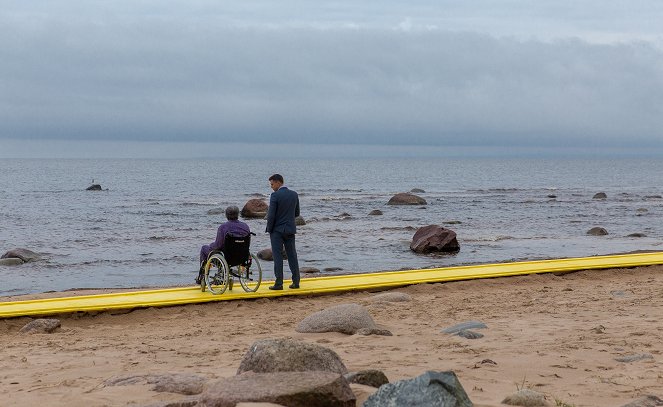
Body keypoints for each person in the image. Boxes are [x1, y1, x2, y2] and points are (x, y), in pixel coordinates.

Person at [196, 205, 250, 284]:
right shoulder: (245, 226)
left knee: (205, 248)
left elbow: (218, 245)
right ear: (238, 214)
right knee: (222, 251)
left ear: (226, 215)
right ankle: (221, 275)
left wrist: (211, 246)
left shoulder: (223, 227)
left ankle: (202, 276)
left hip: (227, 257)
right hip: (242, 256)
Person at [266, 174, 300, 290]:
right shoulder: (294, 194)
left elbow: (271, 215)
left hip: (277, 231)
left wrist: (269, 229)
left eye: (272, 184)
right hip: (290, 229)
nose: (271, 187)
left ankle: (279, 283)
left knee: (278, 256)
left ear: (278, 182)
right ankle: (296, 282)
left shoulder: (275, 196)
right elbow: (297, 213)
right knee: (292, 255)